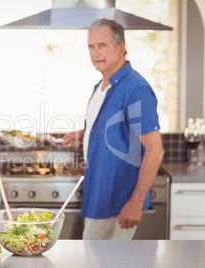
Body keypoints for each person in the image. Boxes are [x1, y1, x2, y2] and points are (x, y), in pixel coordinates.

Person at [62, 19, 164, 239]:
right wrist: (83, 134)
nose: (96, 53)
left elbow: (155, 149)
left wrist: (135, 203)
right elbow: (117, 127)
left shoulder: (135, 88)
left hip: (119, 204)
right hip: (99, 197)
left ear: (121, 47)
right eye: (91, 46)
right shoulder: (100, 87)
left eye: (102, 45)